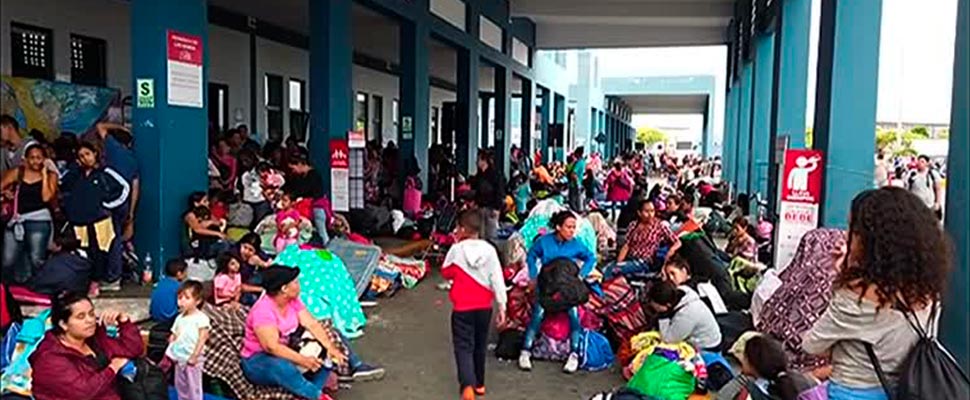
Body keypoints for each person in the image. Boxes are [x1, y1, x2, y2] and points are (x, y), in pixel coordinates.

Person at [803, 188, 949, 400]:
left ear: (870, 240)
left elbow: (811, 344)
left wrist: (846, 272)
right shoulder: (928, 292)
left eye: (852, 229)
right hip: (906, 391)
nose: (846, 235)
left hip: (851, 394)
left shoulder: (854, 296)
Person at [240, 265, 349, 400]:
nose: (299, 285)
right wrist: (303, 360)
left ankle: (311, 391)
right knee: (282, 367)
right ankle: (317, 396)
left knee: (326, 352)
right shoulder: (263, 311)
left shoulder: (293, 301)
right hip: (258, 360)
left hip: (284, 349)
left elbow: (312, 324)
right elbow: (271, 347)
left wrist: (330, 348)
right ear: (284, 289)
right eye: (296, 282)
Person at [441, 210, 508, 400]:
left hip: (462, 308)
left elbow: (446, 272)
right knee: (480, 345)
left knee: (463, 346)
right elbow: (497, 280)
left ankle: (467, 386)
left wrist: (455, 245)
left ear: (462, 229)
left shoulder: (457, 250)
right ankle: (480, 384)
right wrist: (502, 307)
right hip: (484, 308)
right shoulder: (490, 250)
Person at [519, 211, 597, 373]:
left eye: (574, 227)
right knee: (538, 314)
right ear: (558, 227)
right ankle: (525, 351)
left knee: (574, 316)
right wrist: (533, 275)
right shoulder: (544, 242)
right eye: (568, 227)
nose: (571, 231)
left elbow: (591, 257)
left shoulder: (577, 244)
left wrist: (581, 276)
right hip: (546, 285)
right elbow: (532, 255)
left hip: (567, 287)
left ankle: (574, 354)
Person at [29, 292, 144, 400]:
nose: (90, 320)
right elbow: (83, 392)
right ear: (63, 324)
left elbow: (133, 349)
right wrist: (113, 367)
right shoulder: (49, 358)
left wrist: (123, 321)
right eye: (81, 317)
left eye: (91, 314)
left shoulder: (93, 338)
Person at [61, 140, 130, 294]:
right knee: (84, 252)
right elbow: (62, 186)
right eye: (81, 156)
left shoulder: (106, 172)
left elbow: (124, 188)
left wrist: (106, 205)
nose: (85, 158)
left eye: (87, 154)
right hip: (79, 222)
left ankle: (103, 280)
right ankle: (87, 281)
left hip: (101, 221)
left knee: (103, 251)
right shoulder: (74, 175)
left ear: (95, 154)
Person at [2, 143, 58, 284]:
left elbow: (46, 197)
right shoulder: (17, 172)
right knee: (8, 259)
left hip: (39, 220)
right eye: (32, 158)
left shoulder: (51, 176)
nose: (35, 161)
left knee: (36, 259)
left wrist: (44, 175)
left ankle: (38, 288)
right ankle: (10, 290)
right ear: (25, 159)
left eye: (39, 158)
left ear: (45, 159)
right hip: (16, 219)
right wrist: (5, 193)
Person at [721, 335, 821, 400]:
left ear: (752, 363)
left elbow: (721, 397)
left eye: (744, 356)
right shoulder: (801, 380)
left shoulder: (751, 393)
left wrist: (742, 378)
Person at [609, 199, 682, 278]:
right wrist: (619, 262)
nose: (650, 214)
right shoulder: (633, 225)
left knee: (615, 270)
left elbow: (677, 242)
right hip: (630, 259)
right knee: (609, 268)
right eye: (646, 211)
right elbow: (626, 246)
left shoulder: (659, 226)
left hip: (645, 262)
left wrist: (671, 250)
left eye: (652, 211)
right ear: (639, 213)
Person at [644, 281, 722, 351]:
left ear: (667, 305)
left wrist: (662, 316)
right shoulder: (680, 291)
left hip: (706, 345)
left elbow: (668, 339)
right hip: (696, 335)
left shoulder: (687, 314)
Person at [165, 280, 211, 400]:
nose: (182, 301)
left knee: (193, 384)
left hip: (192, 357)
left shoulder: (201, 318)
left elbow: (202, 338)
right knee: (180, 384)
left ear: (198, 301)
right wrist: (171, 348)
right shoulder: (179, 318)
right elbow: (174, 334)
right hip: (179, 357)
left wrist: (195, 355)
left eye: (187, 298)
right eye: (180, 298)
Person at [468, 150, 506, 240]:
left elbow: (499, 191)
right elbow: (477, 190)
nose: (476, 162)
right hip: (481, 207)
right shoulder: (480, 175)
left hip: (491, 208)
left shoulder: (495, 174)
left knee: (491, 234)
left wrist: (497, 208)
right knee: (481, 234)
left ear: (484, 161)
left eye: (478, 160)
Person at [183, 191, 228, 258]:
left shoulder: (207, 212)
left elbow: (218, 223)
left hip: (210, 242)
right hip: (198, 245)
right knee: (223, 246)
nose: (207, 203)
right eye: (204, 201)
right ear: (196, 203)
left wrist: (210, 221)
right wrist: (217, 233)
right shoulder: (190, 215)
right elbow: (197, 229)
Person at [151, 258, 188, 325]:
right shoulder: (179, 286)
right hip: (169, 318)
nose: (186, 274)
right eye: (185, 272)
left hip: (155, 316)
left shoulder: (160, 283)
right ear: (179, 273)